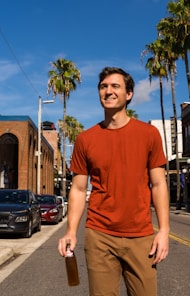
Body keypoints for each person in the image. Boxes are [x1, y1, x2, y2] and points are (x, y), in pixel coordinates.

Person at [58, 67, 170, 295]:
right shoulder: (85, 139)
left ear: (128, 94)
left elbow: (158, 184)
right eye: (103, 86)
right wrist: (71, 230)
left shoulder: (149, 134)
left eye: (115, 86)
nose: (108, 91)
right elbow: (79, 189)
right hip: (99, 235)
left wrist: (164, 230)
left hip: (141, 236)